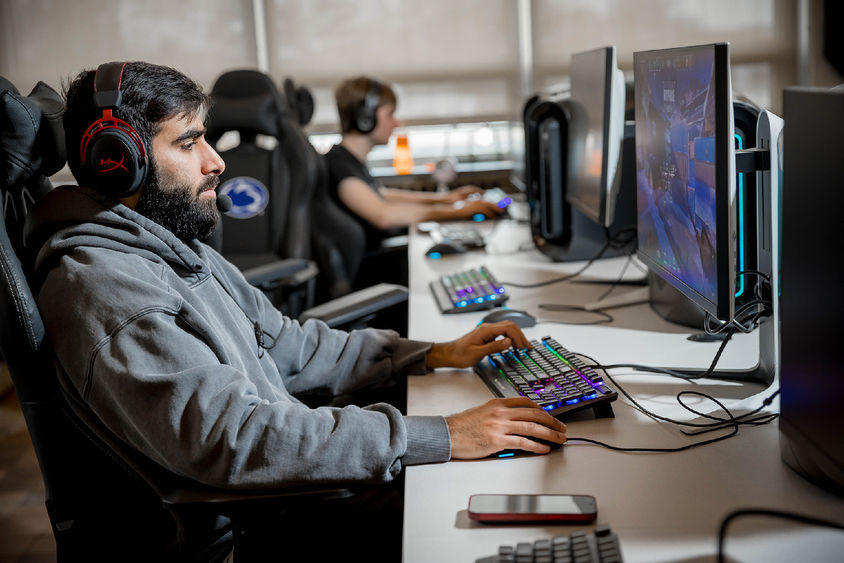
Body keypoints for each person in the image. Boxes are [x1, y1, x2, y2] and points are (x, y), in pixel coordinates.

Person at [24, 62, 565, 559]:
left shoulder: (173, 249)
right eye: (189, 143)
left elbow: (289, 345)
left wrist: (429, 353)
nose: (217, 162)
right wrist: (439, 434)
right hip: (262, 518)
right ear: (121, 162)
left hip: (287, 476)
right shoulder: (105, 288)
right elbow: (235, 438)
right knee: (503, 513)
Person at [325, 76, 505, 254]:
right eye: (390, 114)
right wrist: (458, 211)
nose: (397, 123)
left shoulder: (350, 161)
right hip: (372, 269)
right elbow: (384, 216)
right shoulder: (339, 166)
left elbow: (381, 195)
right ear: (366, 119)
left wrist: (445, 199)